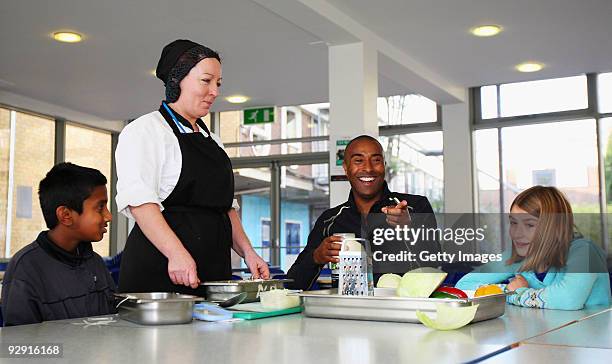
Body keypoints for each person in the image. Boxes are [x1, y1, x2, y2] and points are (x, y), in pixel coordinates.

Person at [115, 39, 269, 296]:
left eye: (218, 83)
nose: (215, 92)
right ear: (177, 80)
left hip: (211, 271)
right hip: (163, 269)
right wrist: (176, 253)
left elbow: (226, 207)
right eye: (206, 81)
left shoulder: (213, 139)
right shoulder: (145, 130)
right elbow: (141, 203)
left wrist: (248, 253)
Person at [287, 135, 439, 290]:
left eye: (376, 160)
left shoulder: (415, 207)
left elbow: (435, 266)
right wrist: (316, 257)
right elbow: (292, 285)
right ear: (346, 168)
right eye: (358, 161)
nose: (368, 168)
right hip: (349, 311)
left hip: (404, 310)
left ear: (384, 166)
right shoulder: (330, 220)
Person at [456, 186, 611, 310]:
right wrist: (508, 289)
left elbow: (567, 299)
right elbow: (463, 286)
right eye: (513, 222)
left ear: (555, 227)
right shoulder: (518, 256)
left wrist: (517, 292)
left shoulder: (585, 252)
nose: (516, 233)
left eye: (529, 225)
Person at [1, 163, 116, 326]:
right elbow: (21, 347)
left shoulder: (95, 263)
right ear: (66, 215)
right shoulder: (26, 270)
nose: (108, 216)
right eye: (100, 207)